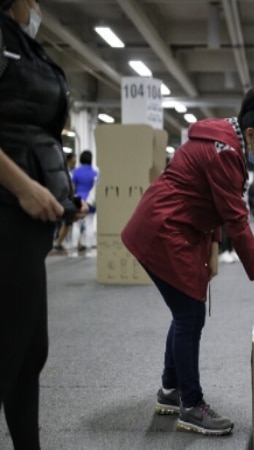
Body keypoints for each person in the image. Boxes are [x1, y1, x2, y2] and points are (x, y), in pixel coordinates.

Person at [121, 87, 254, 436]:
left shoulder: (226, 139)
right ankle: (191, 405)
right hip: (164, 228)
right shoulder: (226, 151)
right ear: (252, 134)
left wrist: (212, 251)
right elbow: (237, 222)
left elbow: (212, 203)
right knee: (189, 314)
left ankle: (170, 390)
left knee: (186, 311)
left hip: (176, 226)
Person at [0, 1, 87, 448]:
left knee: (28, 353)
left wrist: (60, 196)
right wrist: (23, 188)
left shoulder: (24, 46)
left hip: (29, 221)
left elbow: (33, 132)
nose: (37, 6)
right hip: (8, 212)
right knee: (8, 354)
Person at [69, 150, 99, 256]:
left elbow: (72, 187)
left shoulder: (76, 172)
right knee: (89, 224)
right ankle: (90, 249)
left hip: (78, 199)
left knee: (76, 224)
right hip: (90, 201)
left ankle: (73, 248)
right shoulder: (95, 173)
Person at [54, 152, 77, 251]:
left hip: (65, 199)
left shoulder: (70, 171)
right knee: (67, 223)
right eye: (73, 160)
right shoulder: (66, 171)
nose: (75, 162)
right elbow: (70, 186)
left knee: (66, 223)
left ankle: (59, 242)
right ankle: (58, 243)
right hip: (65, 199)